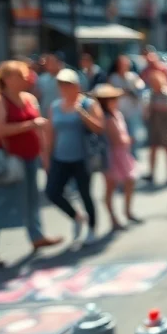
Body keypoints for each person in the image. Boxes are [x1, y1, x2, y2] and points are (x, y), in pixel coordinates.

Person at [0, 61, 62, 268]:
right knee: (0, 203)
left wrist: (45, 155)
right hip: (9, 161)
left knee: (32, 198)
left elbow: (38, 131)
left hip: (30, 157)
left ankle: (36, 235)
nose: (26, 79)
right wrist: (30, 124)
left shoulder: (29, 98)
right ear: (6, 79)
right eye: (20, 75)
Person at [45, 69, 104, 244]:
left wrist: (83, 115)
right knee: (52, 192)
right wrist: (47, 158)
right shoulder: (55, 106)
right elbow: (50, 134)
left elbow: (99, 128)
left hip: (82, 158)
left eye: (67, 84)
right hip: (60, 158)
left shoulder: (88, 104)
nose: (64, 88)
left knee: (85, 194)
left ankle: (92, 228)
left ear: (76, 86)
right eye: (61, 85)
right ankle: (76, 217)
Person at [93, 84, 139, 230]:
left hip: (122, 154)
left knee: (129, 181)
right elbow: (117, 139)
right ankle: (113, 218)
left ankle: (127, 211)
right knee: (111, 188)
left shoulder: (115, 114)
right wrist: (128, 140)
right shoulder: (106, 118)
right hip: (111, 156)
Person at [143, 71, 167, 185]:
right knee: (153, 150)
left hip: (165, 126)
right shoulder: (150, 94)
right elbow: (146, 111)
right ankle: (151, 173)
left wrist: (158, 106)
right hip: (154, 125)